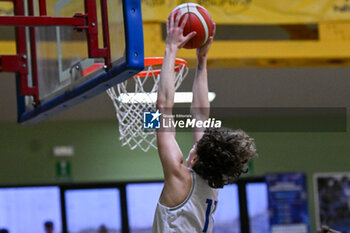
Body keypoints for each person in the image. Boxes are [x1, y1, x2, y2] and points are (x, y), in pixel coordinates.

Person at [152, 12, 258, 233]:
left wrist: (172, 49)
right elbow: (198, 117)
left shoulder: (181, 180)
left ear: (196, 156)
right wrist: (201, 61)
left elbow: (166, 110)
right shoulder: (210, 184)